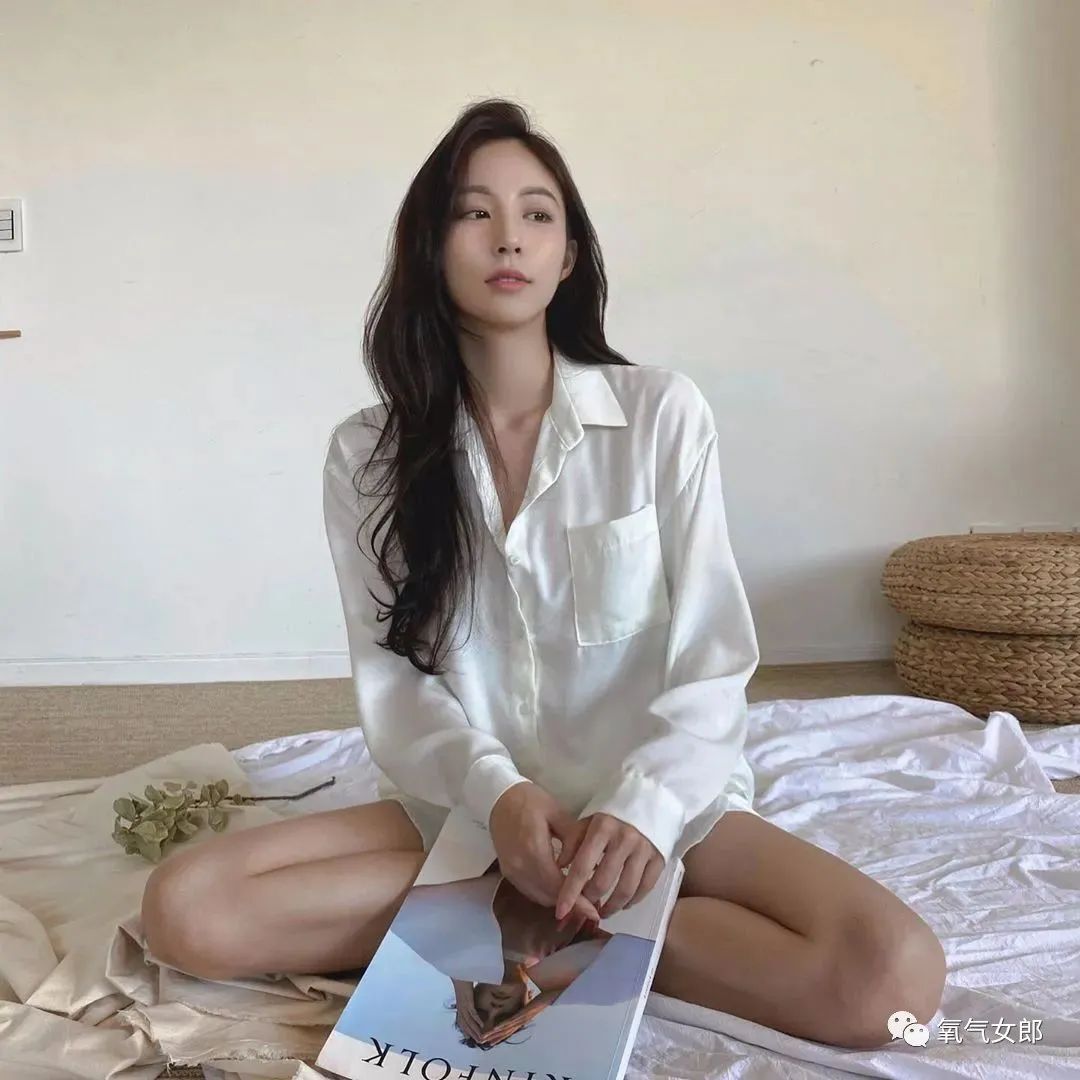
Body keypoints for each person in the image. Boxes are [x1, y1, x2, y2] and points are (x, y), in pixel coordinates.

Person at [140, 97, 946, 1050]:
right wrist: (500, 799)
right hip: (470, 813)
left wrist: (643, 810)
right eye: (473, 213)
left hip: (657, 815)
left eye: (537, 213)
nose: (508, 237)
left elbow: (713, 657)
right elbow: (397, 685)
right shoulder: (367, 456)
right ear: (429, 247)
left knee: (891, 980)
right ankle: (535, 908)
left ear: (568, 257)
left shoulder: (660, 415)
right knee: (187, 911)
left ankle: (573, 919)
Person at [390, 858, 640, 1049]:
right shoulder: (558, 962)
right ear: (526, 1000)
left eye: (481, 1012)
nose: (495, 1007)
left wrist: (460, 975)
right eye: (505, 1016)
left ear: (474, 994)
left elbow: (409, 907)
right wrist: (537, 1007)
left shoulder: (473, 935)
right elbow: (632, 960)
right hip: (597, 850)